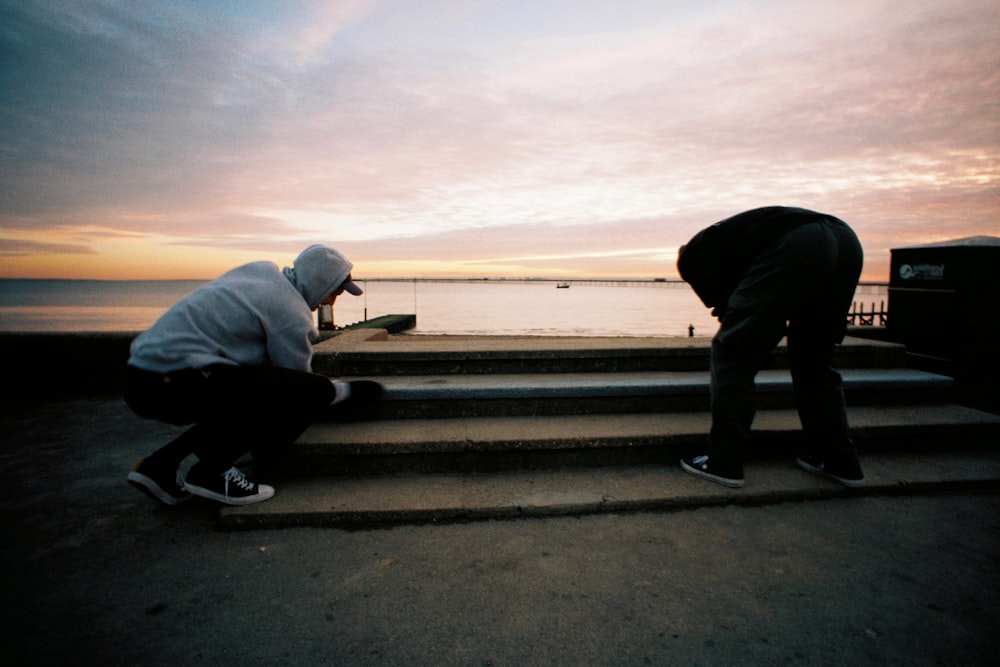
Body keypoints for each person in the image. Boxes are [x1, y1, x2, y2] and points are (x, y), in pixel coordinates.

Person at [124, 245, 381, 506]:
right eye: (333, 292)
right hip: (173, 383)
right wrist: (349, 390)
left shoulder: (260, 273)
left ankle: (159, 466)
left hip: (141, 377)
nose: (329, 302)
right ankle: (212, 471)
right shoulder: (290, 311)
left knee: (243, 395)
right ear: (319, 282)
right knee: (309, 393)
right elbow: (299, 386)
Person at [676, 206, 865, 488]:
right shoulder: (739, 243)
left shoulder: (694, 256)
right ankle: (839, 460)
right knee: (814, 361)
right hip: (847, 242)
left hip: (800, 241)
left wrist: (739, 329)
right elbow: (759, 311)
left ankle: (723, 461)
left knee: (731, 351)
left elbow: (731, 314)